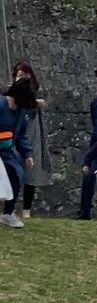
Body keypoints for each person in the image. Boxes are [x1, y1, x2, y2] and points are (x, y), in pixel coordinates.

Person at [11, 61, 51, 218]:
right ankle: (10, 207)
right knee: (12, 168)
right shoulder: (13, 91)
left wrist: (33, 101)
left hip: (33, 130)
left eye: (24, 74)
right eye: (18, 75)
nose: (21, 78)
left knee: (32, 170)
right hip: (16, 130)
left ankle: (26, 209)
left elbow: (43, 103)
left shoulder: (36, 90)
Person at [0, 81, 34, 229]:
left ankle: (8, 213)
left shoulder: (21, 112)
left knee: (16, 174)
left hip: (6, 151)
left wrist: (27, 154)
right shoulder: (1, 105)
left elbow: (20, 135)